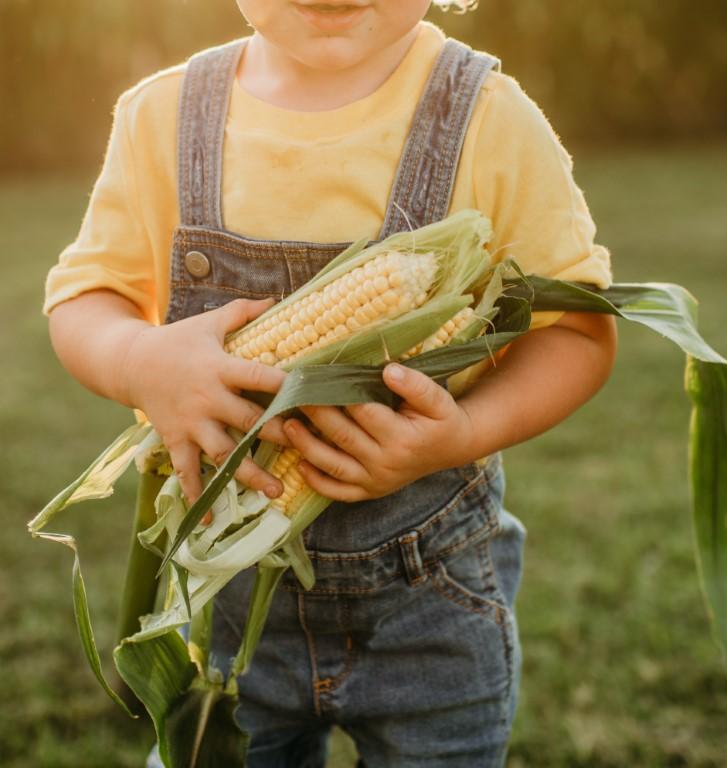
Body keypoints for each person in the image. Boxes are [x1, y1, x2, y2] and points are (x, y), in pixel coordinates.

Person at [45, 1, 616, 765]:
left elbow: (577, 330)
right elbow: (84, 298)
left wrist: (466, 434)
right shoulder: (164, 117)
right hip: (223, 594)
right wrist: (139, 360)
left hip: (429, 605)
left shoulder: (487, 118)